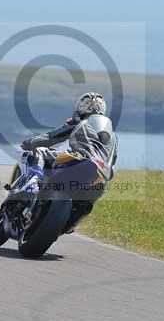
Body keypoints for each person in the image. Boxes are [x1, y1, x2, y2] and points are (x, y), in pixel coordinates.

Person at [19, 92, 118, 233]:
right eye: (89, 105)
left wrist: (30, 143)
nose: (91, 109)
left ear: (79, 107)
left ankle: (33, 183)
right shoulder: (112, 136)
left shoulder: (80, 122)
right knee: (88, 202)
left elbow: (50, 137)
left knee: (39, 151)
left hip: (78, 160)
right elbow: (111, 164)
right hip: (98, 178)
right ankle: (73, 220)